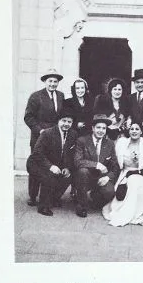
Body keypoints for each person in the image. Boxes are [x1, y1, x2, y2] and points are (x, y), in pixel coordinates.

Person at [102, 122, 143, 227]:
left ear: (141, 131)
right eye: (132, 129)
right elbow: (116, 161)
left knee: (134, 182)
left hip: (141, 174)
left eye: (137, 129)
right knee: (128, 184)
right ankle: (124, 210)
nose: (134, 131)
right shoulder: (122, 143)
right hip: (125, 173)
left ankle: (134, 213)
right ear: (129, 131)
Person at [24, 68, 65, 206]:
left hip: (54, 137)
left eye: (55, 81)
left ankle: (50, 196)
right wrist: (39, 130)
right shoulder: (36, 96)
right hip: (39, 136)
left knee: (52, 164)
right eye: (50, 81)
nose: (53, 84)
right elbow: (28, 117)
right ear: (45, 81)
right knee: (37, 164)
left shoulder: (61, 96)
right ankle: (33, 195)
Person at [26, 111, 77, 216]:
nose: (66, 124)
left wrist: (67, 167)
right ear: (58, 121)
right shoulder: (47, 133)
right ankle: (43, 206)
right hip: (36, 163)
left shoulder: (73, 134)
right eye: (64, 121)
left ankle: (53, 198)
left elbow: (70, 153)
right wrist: (51, 166)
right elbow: (37, 153)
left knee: (68, 176)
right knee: (49, 176)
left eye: (69, 122)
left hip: (56, 164)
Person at [73, 114, 120, 218]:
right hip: (86, 177)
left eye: (104, 128)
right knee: (82, 171)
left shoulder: (110, 144)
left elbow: (115, 166)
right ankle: (82, 205)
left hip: (101, 177)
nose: (101, 131)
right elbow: (77, 161)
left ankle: (96, 198)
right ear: (93, 128)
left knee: (109, 192)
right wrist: (96, 164)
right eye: (98, 127)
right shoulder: (82, 141)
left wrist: (107, 177)